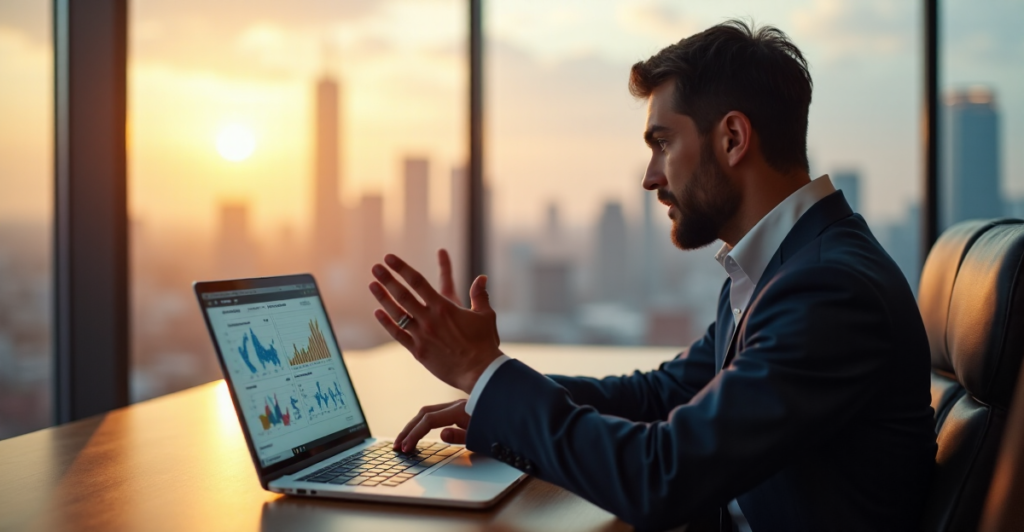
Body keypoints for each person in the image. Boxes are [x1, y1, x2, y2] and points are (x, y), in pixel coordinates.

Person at [367, 20, 936, 532]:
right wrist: (493, 394)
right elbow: (661, 396)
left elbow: (662, 476)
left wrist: (484, 371)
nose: (649, 177)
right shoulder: (777, 269)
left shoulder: (826, 291)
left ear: (732, 138)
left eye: (663, 143)